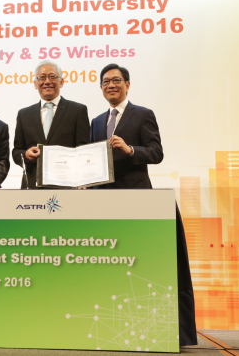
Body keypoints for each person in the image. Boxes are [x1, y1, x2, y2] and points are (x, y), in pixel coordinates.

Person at [90, 63, 197, 346]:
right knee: (112, 261)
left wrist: (130, 150)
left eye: (116, 81)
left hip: (137, 199)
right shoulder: (97, 121)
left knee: (139, 265)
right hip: (104, 201)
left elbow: (156, 152)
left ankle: (154, 329)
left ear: (127, 84)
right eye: (105, 82)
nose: (110, 85)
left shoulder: (143, 114)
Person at [12, 60, 90, 188]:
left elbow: (84, 149)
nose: (47, 81)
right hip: (32, 187)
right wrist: (26, 155)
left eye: (53, 77)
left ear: (62, 82)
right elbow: (16, 152)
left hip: (67, 186)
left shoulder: (77, 111)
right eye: (42, 77)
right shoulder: (24, 114)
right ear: (35, 84)